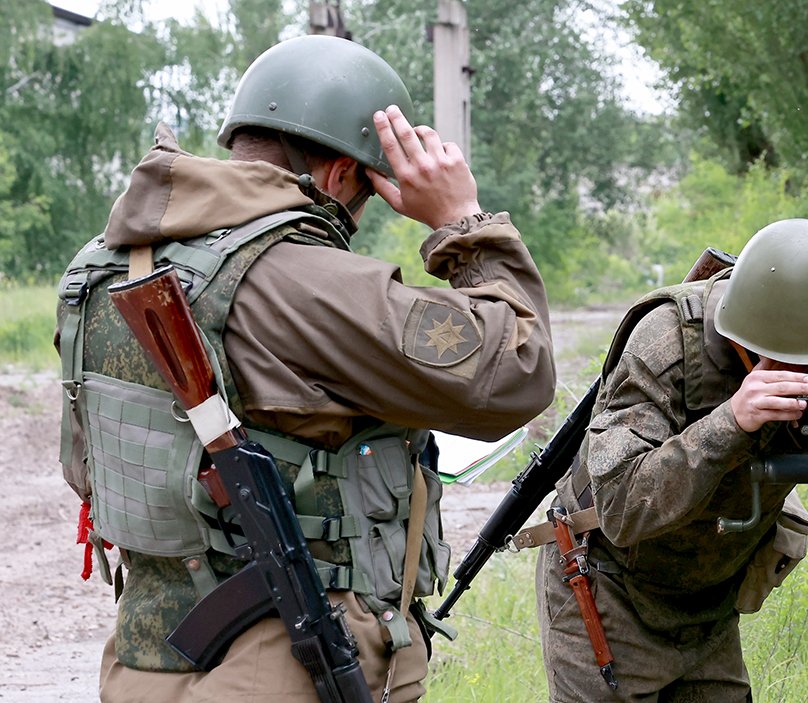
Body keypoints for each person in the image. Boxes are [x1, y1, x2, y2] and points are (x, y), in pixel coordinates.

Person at [55, 35, 555, 702]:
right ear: (342, 175)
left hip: (144, 653)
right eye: (370, 194)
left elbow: (83, 464)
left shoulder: (102, 265)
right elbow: (516, 370)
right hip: (289, 659)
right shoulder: (306, 278)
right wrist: (463, 222)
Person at [534, 219, 808, 702]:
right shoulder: (667, 344)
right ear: (743, 344)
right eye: (784, 361)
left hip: (709, 601)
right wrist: (732, 422)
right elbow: (622, 507)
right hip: (608, 589)